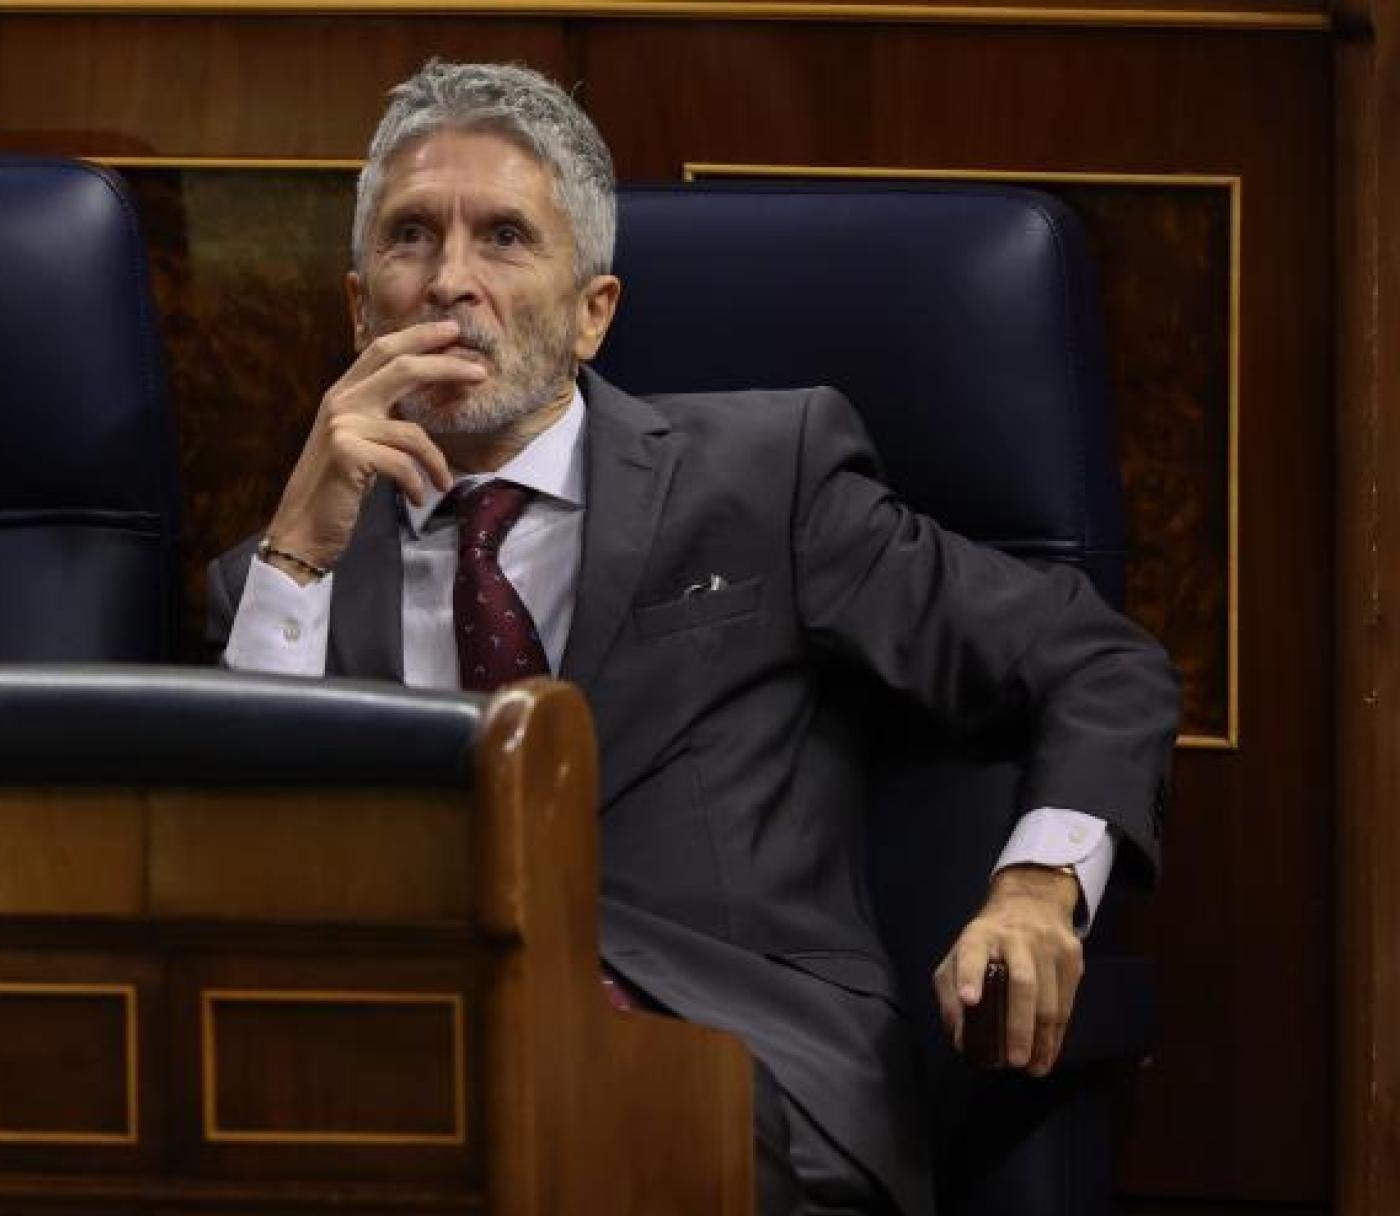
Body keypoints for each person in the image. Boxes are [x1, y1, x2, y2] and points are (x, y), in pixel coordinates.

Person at [205, 59, 1177, 1216]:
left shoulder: (763, 477)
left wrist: (1032, 888)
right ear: (360, 308)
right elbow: (231, 894)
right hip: (399, 1087)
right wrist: (302, 548)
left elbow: (1093, 660)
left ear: (591, 314)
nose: (449, 283)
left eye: (505, 238)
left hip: (737, 1074)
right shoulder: (271, 583)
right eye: (412, 238)